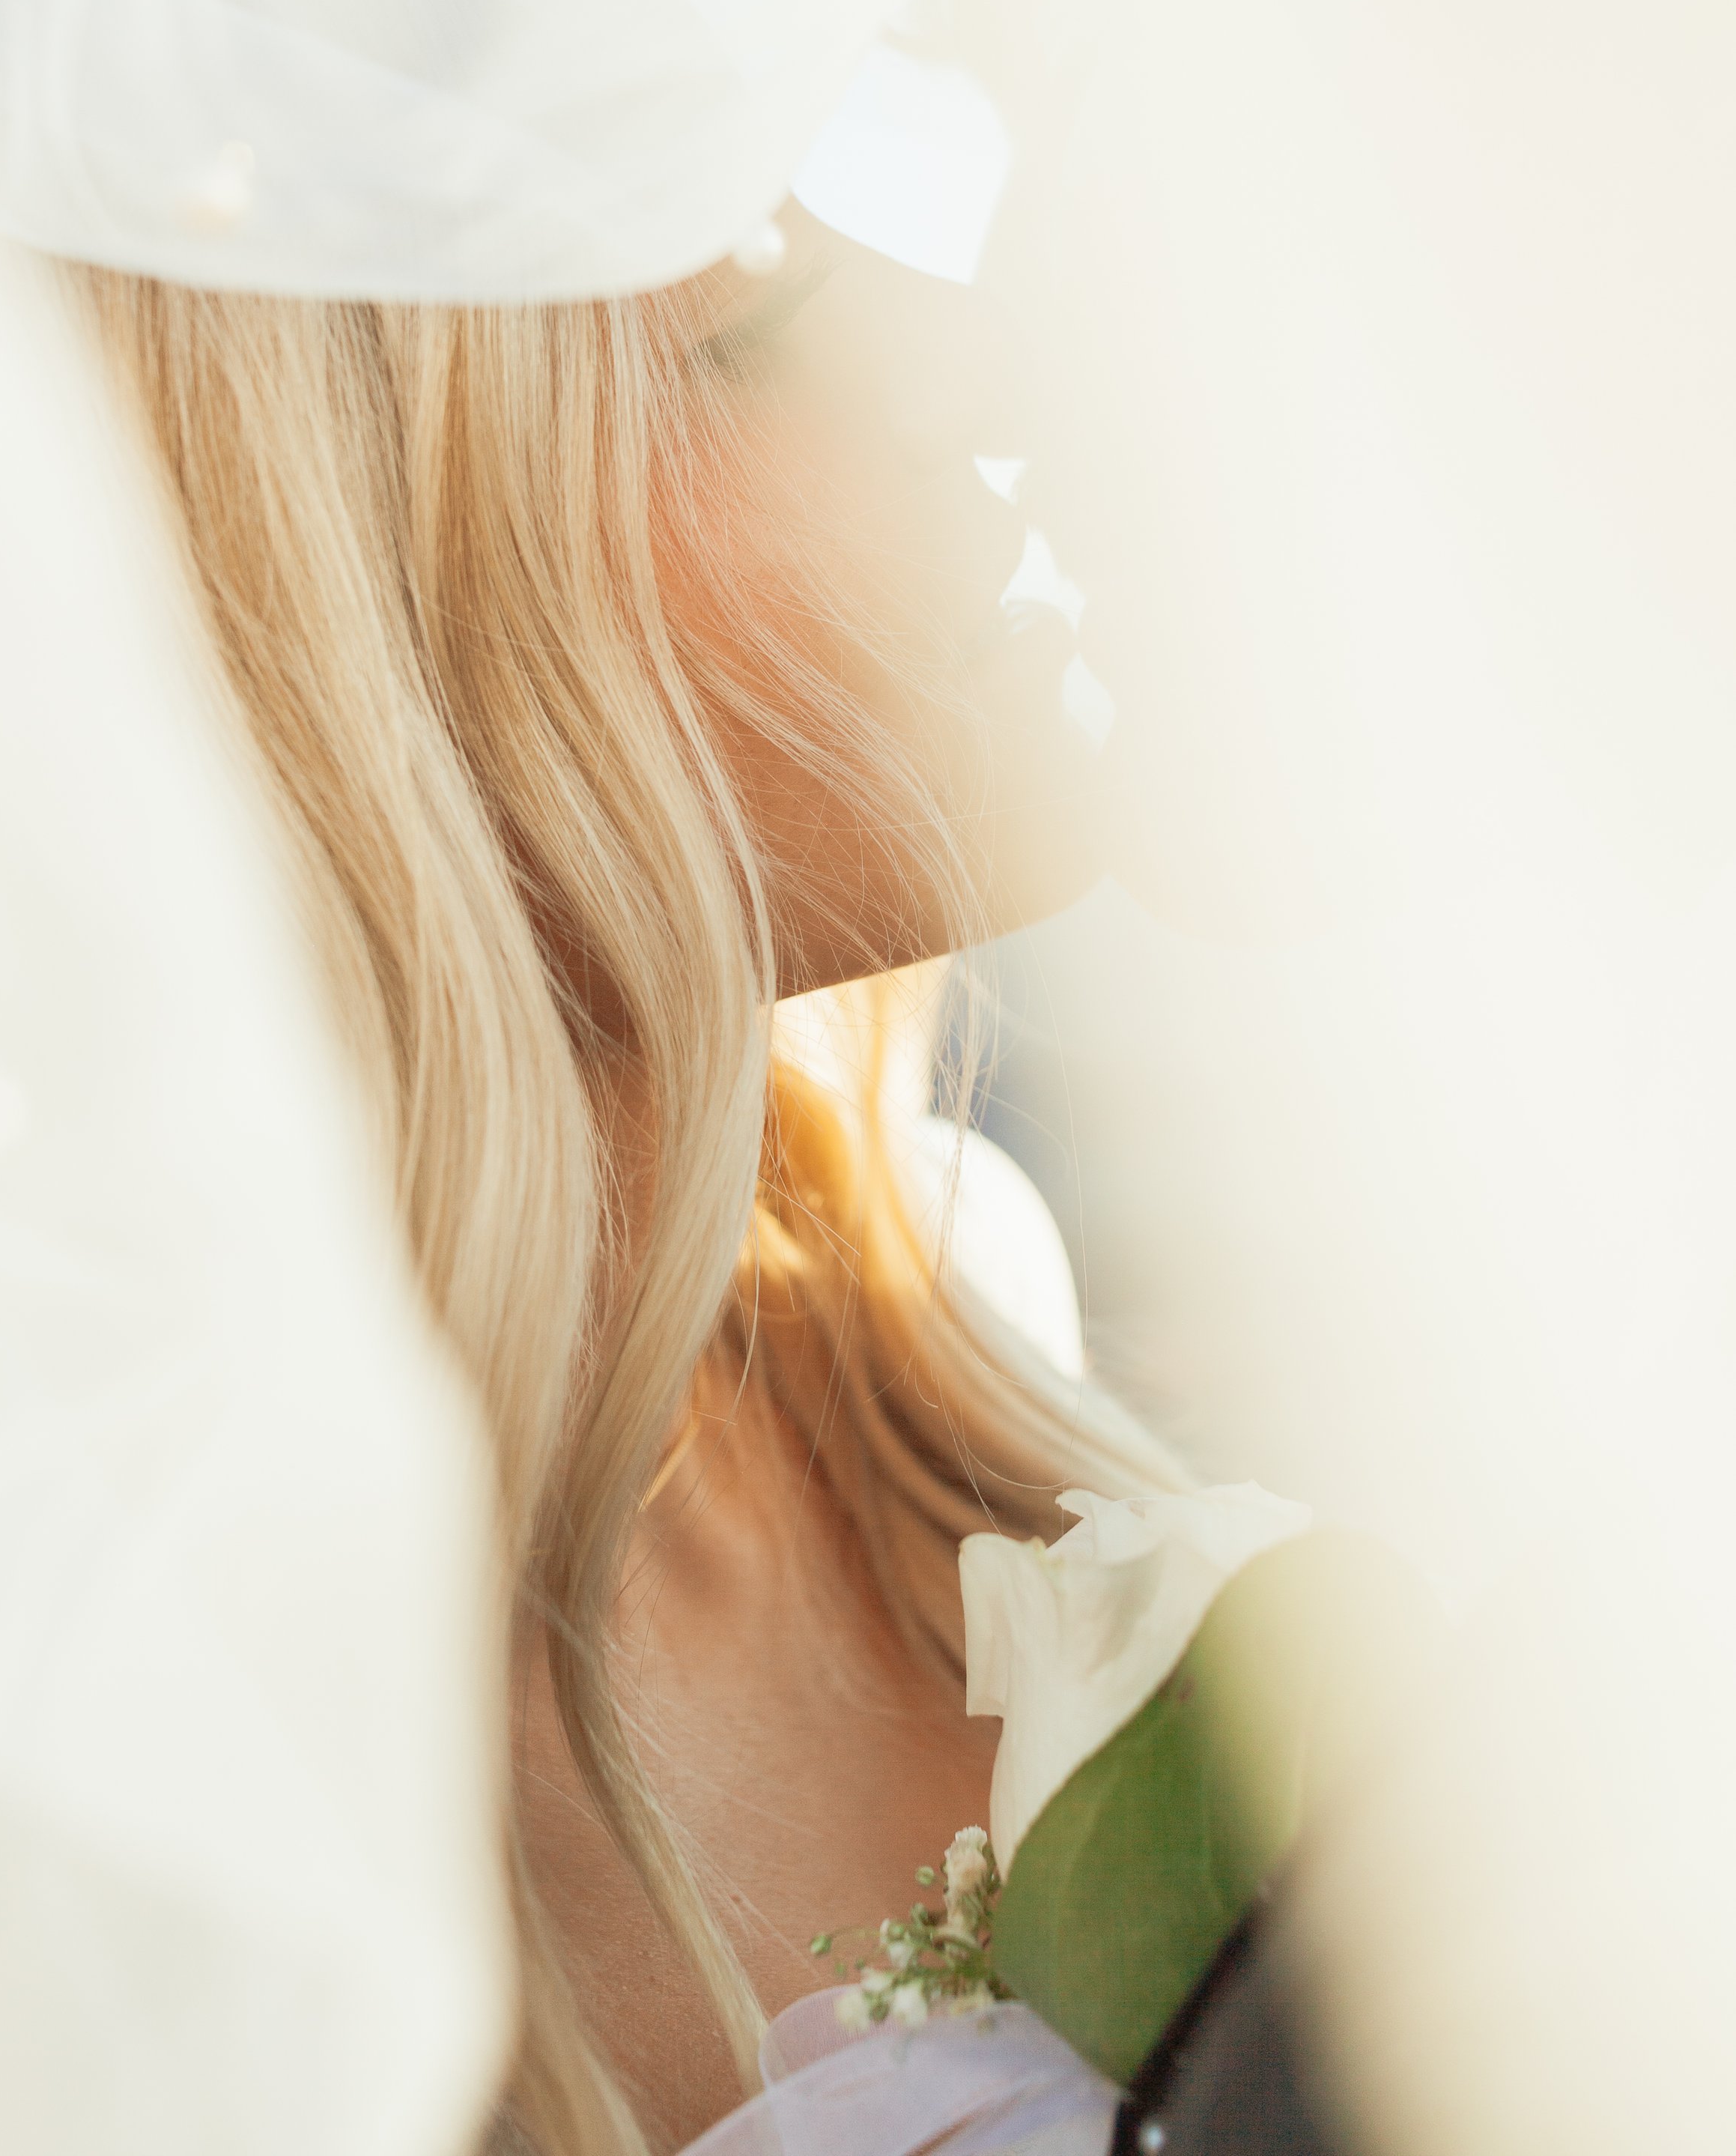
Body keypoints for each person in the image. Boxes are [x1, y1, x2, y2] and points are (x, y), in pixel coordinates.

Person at [66, 190, 1182, 2152]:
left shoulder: (941, 1331)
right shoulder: (138, 1789)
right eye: (745, 340)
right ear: (341, 619)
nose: (966, 356)